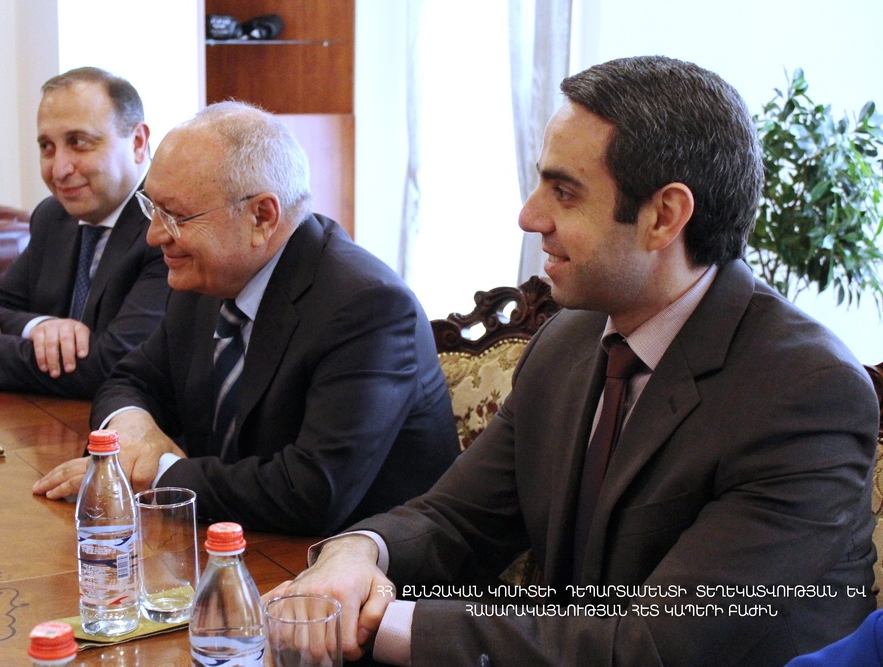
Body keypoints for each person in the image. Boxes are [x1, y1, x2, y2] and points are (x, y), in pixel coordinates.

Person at [267, 55, 880, 665]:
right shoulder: (571, 338)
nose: (529, 216)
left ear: (664, 216)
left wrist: (381, 623)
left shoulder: (806, 393)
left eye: (563, 191)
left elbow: (651, 645)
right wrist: (357, 553)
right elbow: (455, 520)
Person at [32, 101, 460, 536]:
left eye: (175, 216)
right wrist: (131, 428)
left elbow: (311, 491)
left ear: (262, 216)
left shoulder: (367, 307)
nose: (154, 235)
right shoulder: (208, 276)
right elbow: (131, 380)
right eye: (152, 208)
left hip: (362, 562)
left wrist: (156, 472)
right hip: (236, 539)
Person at [0, 67, 169, 399]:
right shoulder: (54, 217)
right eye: (47, 147)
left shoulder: (165, 225)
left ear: (138, 143)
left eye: (78, 142)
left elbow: (112, 366)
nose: (59, 169)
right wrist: (41, 327)